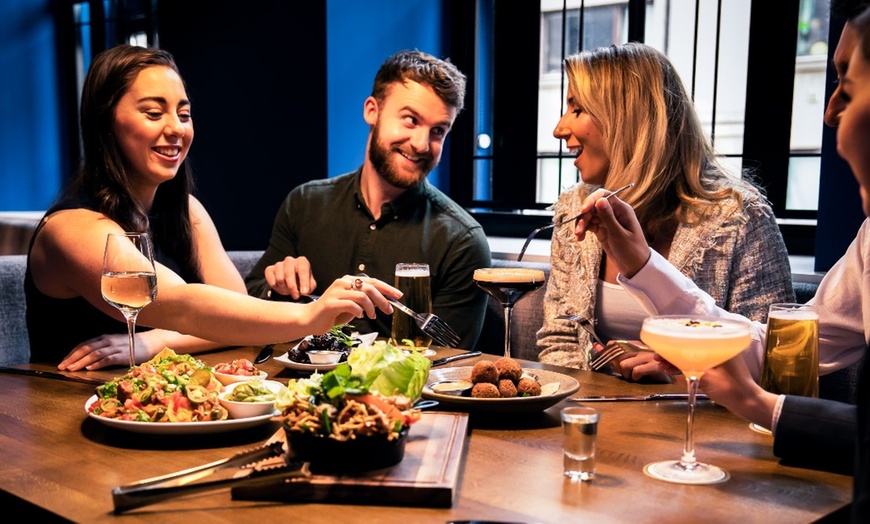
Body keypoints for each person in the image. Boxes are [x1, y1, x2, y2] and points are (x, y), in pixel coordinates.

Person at [573, 3, 870, 518]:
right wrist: (643, 264)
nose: (829, 110)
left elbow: (772, 383)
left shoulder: (740, 215)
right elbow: (784, 348)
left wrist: (757, 405)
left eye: (849, 83)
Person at [25, 45, 400, 371]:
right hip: (65, 415)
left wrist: (151, 343)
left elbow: (236, 315)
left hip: (159, 408)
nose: (176, 129)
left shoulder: (185, 210)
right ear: (105, 122)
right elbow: (182, 305)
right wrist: (309, 316)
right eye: (154, 113)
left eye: (184, 115)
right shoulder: (73, 229)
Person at [536, 42, 794, 381]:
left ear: (626, 119)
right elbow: (559, 338)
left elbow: (777, 364)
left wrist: (683, 371)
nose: (559, 129)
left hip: (701, 423)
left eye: (577, 109)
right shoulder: (573, 209)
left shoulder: (740, 220)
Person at [244, 50, 491, 350]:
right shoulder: (305, 202)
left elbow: (449, 363)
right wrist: (278, 288)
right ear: (372, 111)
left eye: (438, 131)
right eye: (410, 120)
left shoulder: (462, 240)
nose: (422, 144)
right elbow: (250, 299)